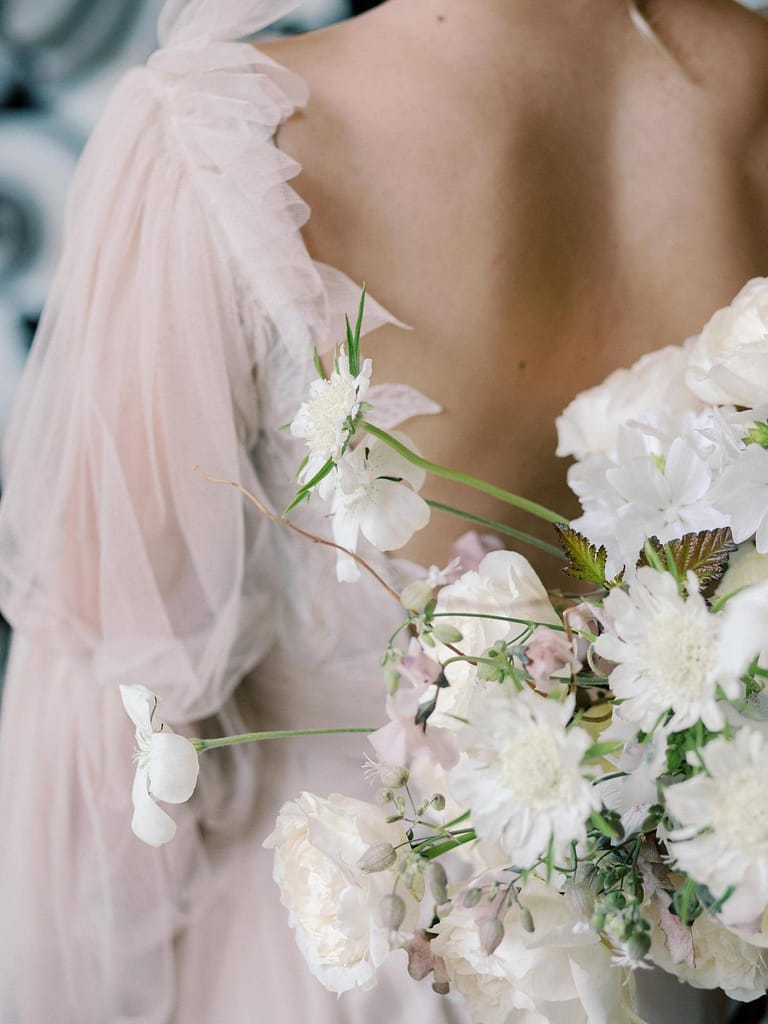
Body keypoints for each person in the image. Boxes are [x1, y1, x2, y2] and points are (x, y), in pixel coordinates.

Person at [0, 0, 764, 1021]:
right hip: (666, 955)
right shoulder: (755, 80)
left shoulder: (215, 139)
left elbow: (119, 670)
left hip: (353, 945)